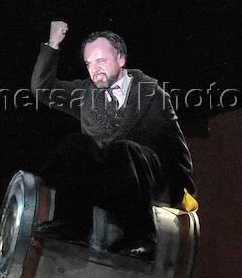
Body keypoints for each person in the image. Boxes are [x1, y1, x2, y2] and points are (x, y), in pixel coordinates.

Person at [29, 21, 196, 261]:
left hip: (138, 180)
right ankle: (72, 226)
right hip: (102, 181)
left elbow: (175, 146)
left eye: (101, 61)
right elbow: (42, 88)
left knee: (122, 148)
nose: (94, 69)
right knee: (77, 143)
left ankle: (141, 238)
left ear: (121, 59)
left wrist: (185, 192)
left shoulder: (152, 95)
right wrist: (53, 43)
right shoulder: (85, 93)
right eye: (89, 63)